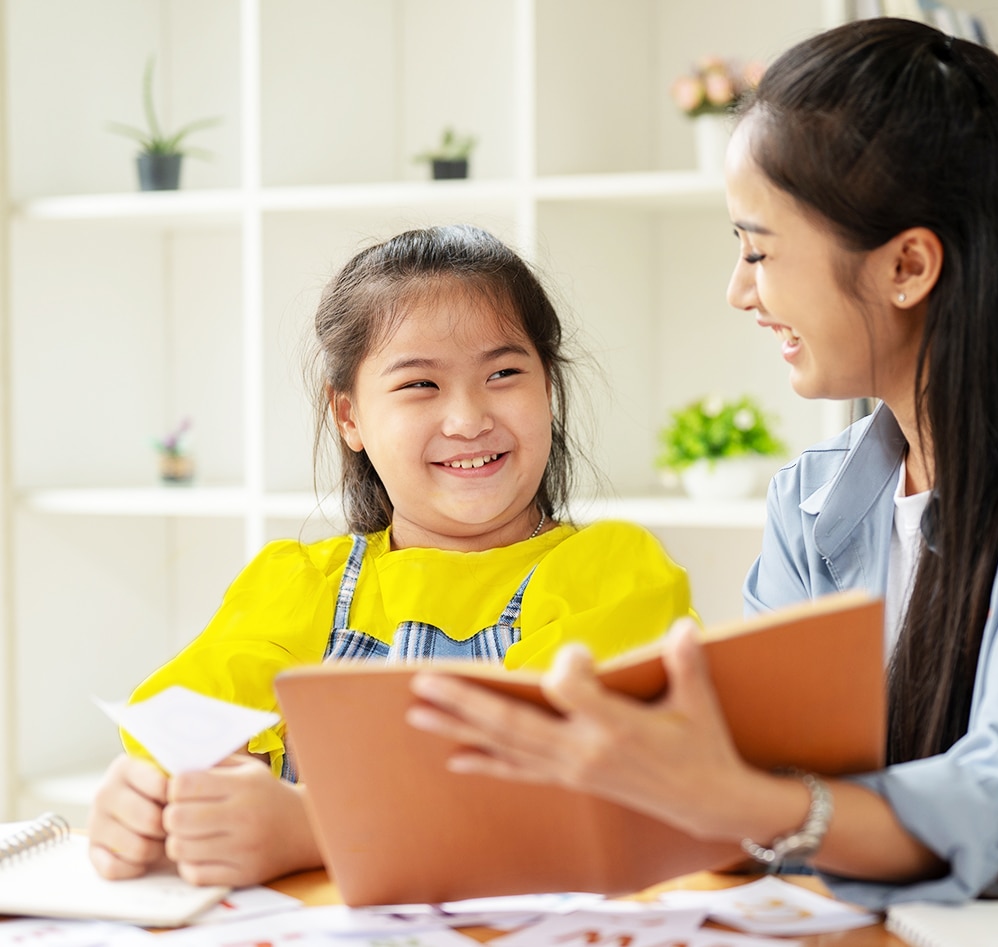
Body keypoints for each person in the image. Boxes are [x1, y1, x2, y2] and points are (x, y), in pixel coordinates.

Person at [402, 20, 998, 910]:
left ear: (909, 266)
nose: (740, 291)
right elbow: (777, 783)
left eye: (759, 250)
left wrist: (730, 798)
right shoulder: (814, 498)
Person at [86, 224, 694, 887]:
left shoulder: (613, 575)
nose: (468, 418)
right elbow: (184, 736)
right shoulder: (300, 585)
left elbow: (557, 795)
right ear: (348, 415)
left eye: (504, 373)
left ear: (547, 387)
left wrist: (312, 827)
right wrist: (152, 804)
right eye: (420, 385)